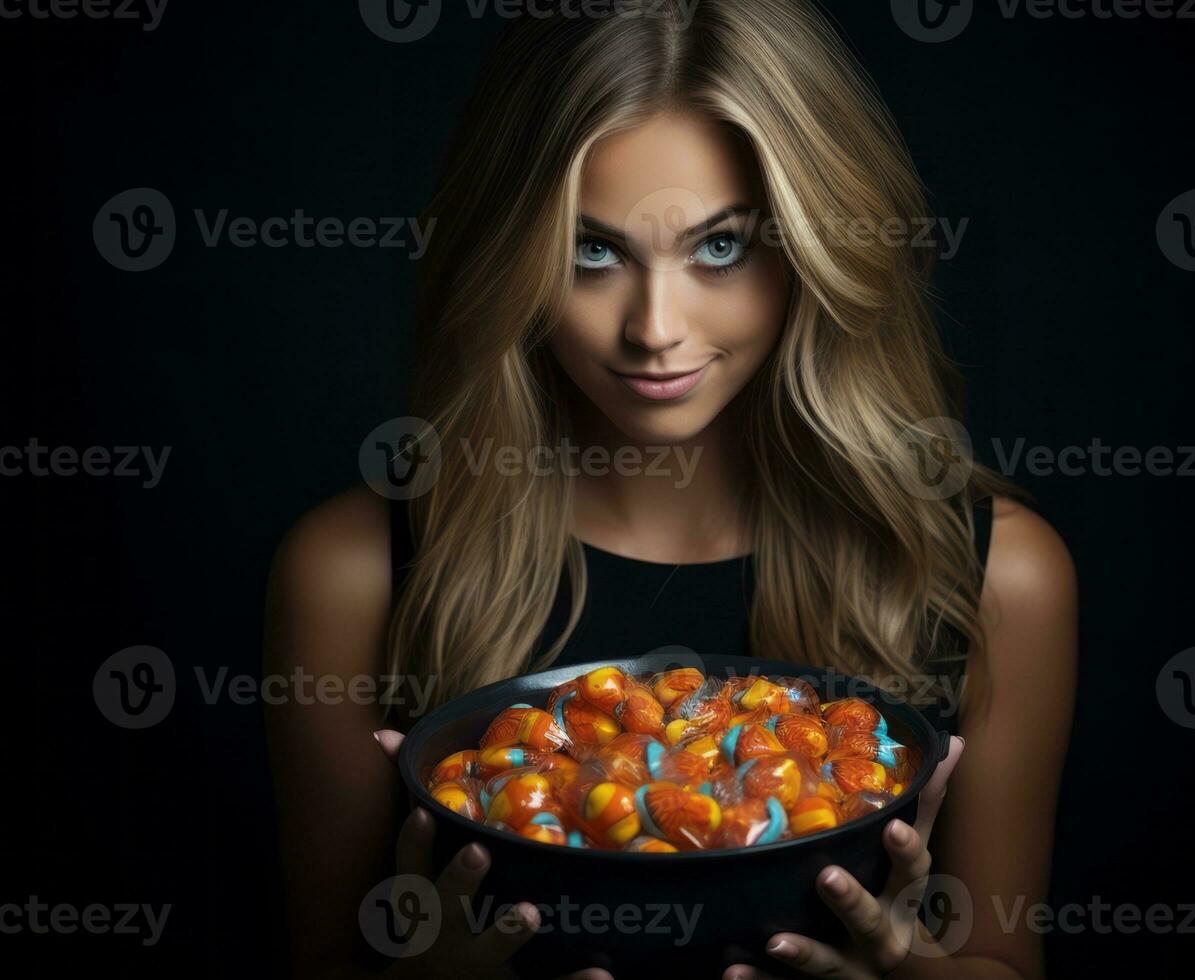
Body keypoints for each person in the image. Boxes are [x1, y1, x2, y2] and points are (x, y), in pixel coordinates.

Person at [263, 1, 1077, 977]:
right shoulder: (350, 573)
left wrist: (907, 971)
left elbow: (1001, 960)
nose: (653, 326)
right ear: (508, 254)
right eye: (591, 249)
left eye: (721, 246)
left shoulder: (997, 574)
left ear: (817, 244)